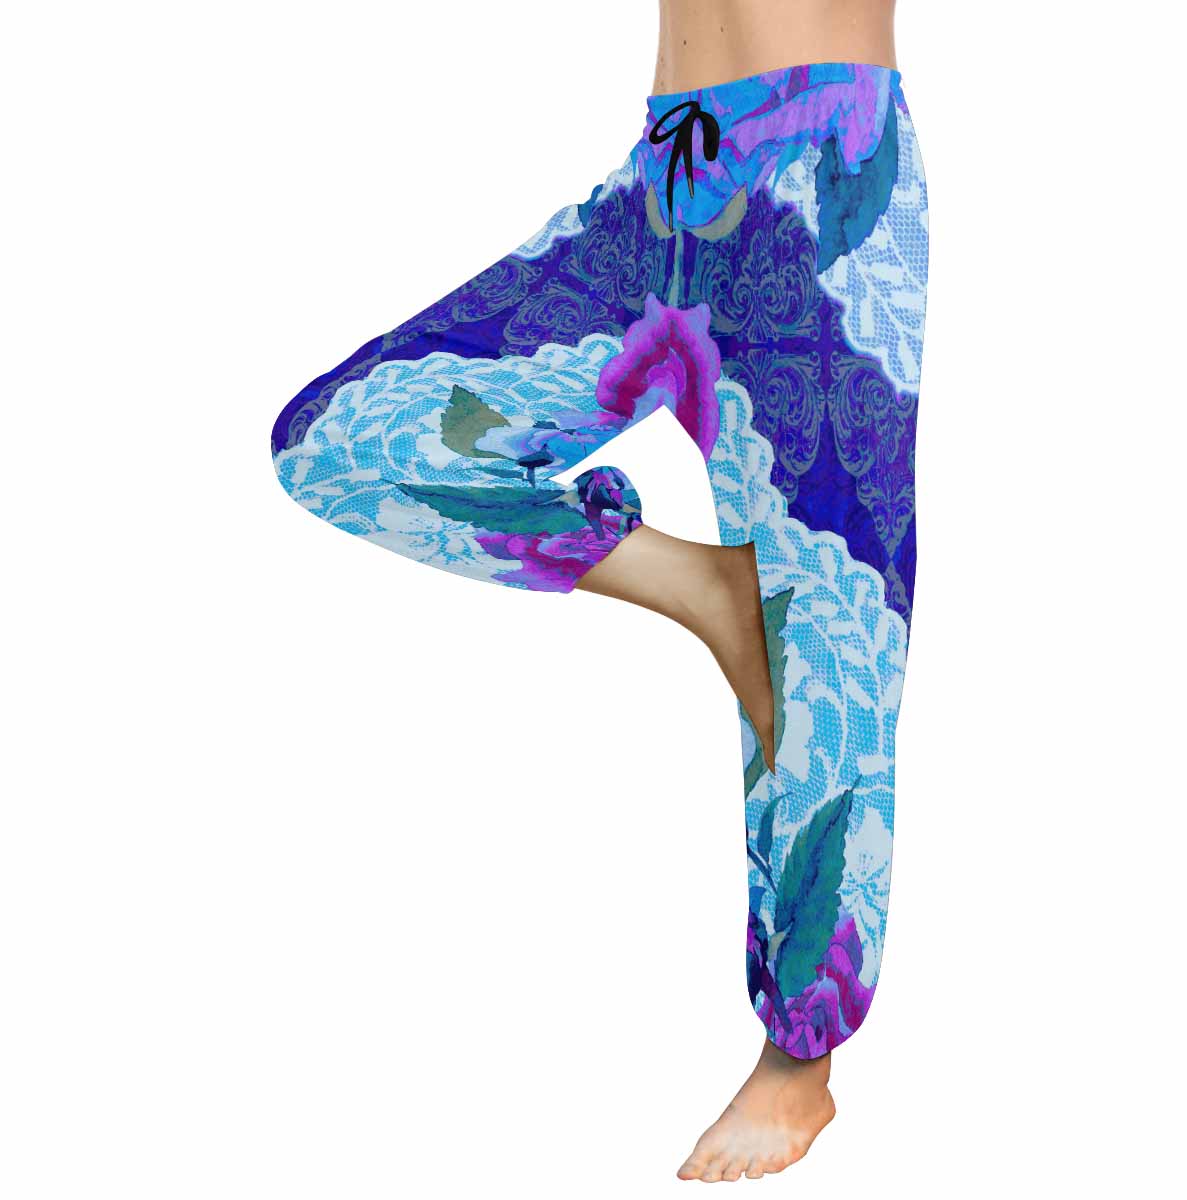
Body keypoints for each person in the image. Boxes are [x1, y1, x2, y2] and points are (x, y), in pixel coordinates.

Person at [271, 0, 926, 1182]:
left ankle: (801, 1060)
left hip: (820, 179)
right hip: (659, 189)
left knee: (834, 628)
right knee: (340, 441)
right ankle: (707, 594)